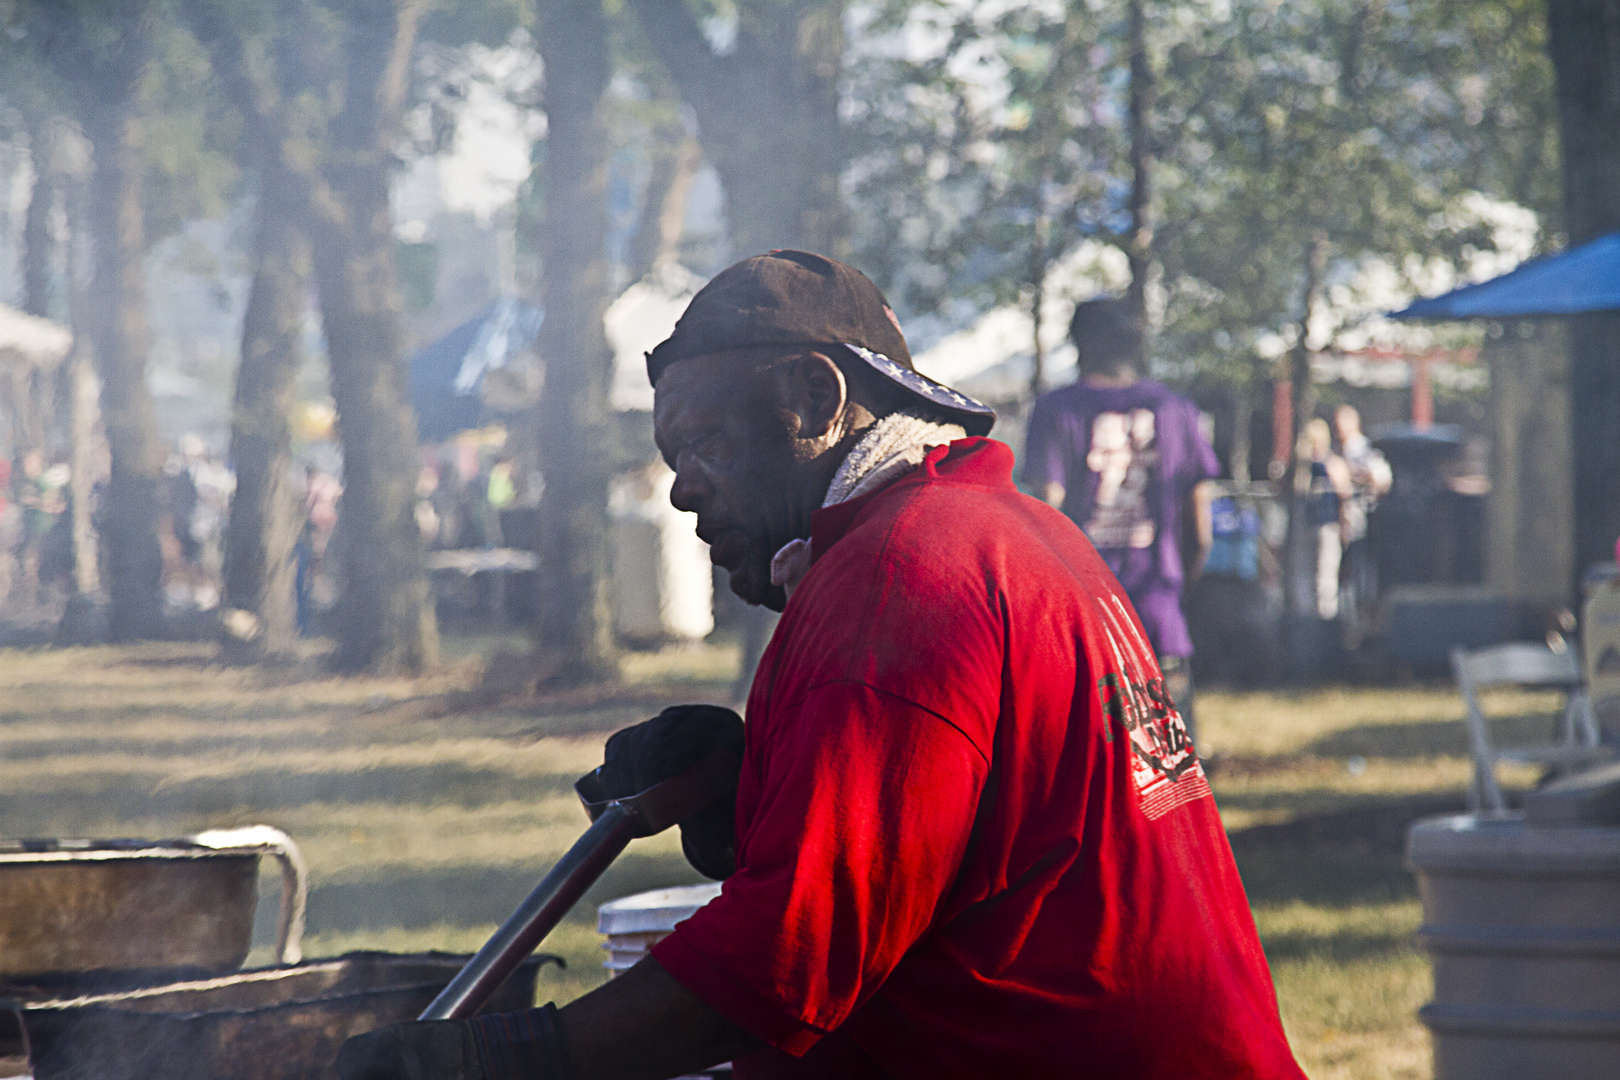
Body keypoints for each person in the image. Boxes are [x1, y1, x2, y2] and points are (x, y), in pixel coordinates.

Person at [337, 252, 1304, 1080]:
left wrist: (507, 1057)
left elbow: (792, 955)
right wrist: (744, 788)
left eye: (705, 442)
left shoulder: (900, 577)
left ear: (814, 400)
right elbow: (948, 852)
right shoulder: (1009, 531)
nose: (680, 492)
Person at [1021, 299, 1218, 740]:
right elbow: (1200, 533)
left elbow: (1044, 518)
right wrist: (1172, 594)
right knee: (1168, 786)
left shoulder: (1057, 411)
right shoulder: (1177, 411)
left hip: (1080, 628)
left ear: (1078, 344)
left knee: (1084, 789)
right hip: (1158, 619)